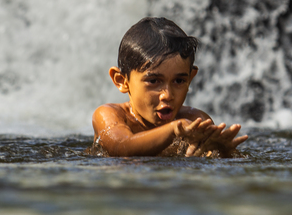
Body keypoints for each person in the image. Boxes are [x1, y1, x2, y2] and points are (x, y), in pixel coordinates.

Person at [91, 17, 248, 157]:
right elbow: (121, 147)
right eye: (153, 81)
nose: (167, 95)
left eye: (179, 81)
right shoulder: (110, 115)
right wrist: (172, 130)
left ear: (190, 78)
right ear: (121, 81)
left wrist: (223, 153)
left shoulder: (195, 121)